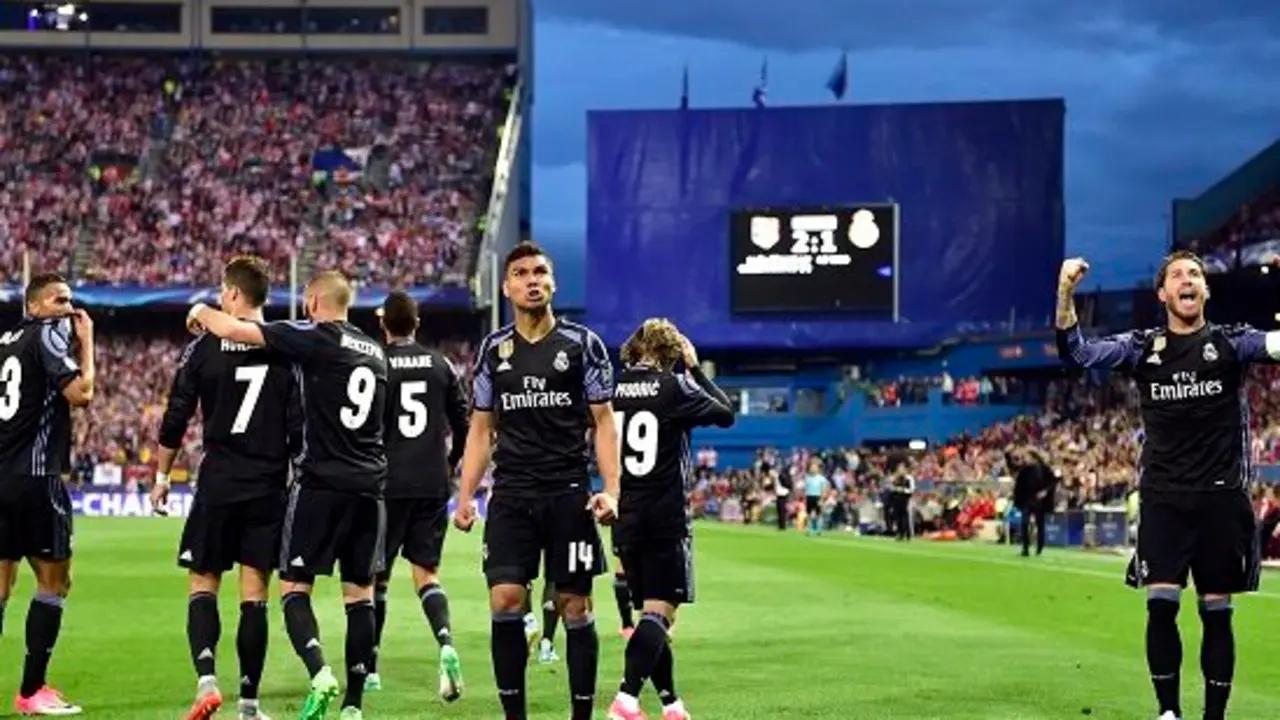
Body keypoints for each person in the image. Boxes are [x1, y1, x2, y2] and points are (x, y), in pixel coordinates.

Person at [1056, 251, 1274, 720]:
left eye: (1195, 274)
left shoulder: (1234, 343)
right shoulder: (1142, 348)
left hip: (1221, 498)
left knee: (1217, 613)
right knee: (1161, 609)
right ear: (1163, 294)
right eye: (1177, 275)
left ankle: (1214, 716)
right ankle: (1168, 714)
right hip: (1164, 500)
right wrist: (1065, 292)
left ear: (1206, 290)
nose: (1187, 280)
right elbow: (1077, 353)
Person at [187, 271, 388, 720]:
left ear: (314, 303)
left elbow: (235, 329)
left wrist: (200, 310)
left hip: (320, 483)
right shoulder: (376, 350)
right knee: (361, 596)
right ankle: (354, 706)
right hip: (371, 488)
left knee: (294, 588)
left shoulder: (314, 338)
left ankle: (320, 672)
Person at [452, 241, 621, 720]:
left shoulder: (582, 345)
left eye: (540, 272)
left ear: (553, 283)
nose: (532, 279)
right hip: (511, 494)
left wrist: (611, 489)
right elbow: (481, 428)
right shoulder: (492, 350)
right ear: (507, 287)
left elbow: (604, 421)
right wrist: (465, 496)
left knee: (575, 606)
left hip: (568, 493)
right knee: (505, 598)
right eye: (521, 273)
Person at [151, 257, 300, 720]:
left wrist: (161, 477)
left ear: (234, 294)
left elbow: (177, 415)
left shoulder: (203, 348)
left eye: (222, 291)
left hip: (218, 480)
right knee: (254, 594)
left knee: (203, 584)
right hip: (268, 484)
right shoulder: (285, 346)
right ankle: (250, 705)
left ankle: (207, 682)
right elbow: (300, 423)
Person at [605, 318, 734, 720]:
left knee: (649, 614)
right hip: (664, 516)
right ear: (669, 351)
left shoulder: (612, 389)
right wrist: (694, 369)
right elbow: (726, 413)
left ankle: (671, 704)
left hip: (624, 515)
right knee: (661, 614)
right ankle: (625, 700)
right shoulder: (674, 386)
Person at [365, 291, 468, 700]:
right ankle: (445, 643)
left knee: (376, 577)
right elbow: (463, 424)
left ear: (383, 325)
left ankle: (370, 669)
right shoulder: (441, 365)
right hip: (431, 481)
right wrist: (452, 462)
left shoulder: (376, 364)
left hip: (387, 483)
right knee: (427, 575)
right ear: (417, 323)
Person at [0, 273, 94, 716]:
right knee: (55, 582)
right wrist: (87, 343)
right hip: (36, 478)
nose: (68, 308)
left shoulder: (4, 340)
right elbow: (82, 394)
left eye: (72, 300)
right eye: (59, 300)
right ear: (34, 307)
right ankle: (31, 691)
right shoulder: (49, 333)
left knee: (1, 586)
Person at [1009, 447, 1056, 557]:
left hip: (1039, 501)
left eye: (1027, 457)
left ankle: (1039, 547)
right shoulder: (1024, 470)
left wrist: (1045, 491)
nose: (1025, 459)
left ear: (1033, 457)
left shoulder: (1044, 469)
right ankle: (1025, 548)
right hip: (1027, 500)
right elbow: (1019, 484)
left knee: (1040, 524)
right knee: (1024, 523)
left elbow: (1052, 481)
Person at [802, 458, 830, 536]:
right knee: (809, 514)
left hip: (817, 497)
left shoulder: (821, 478)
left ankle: (818, 529)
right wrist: (804, 497)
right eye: (811, 467)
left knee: (818, 514)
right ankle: (809, 529)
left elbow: (824, 489)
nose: (813, 469)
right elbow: (805, 489)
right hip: (809, 497)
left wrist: (822, 499)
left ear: (817, 469)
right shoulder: (807, 478)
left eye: (814, 467)